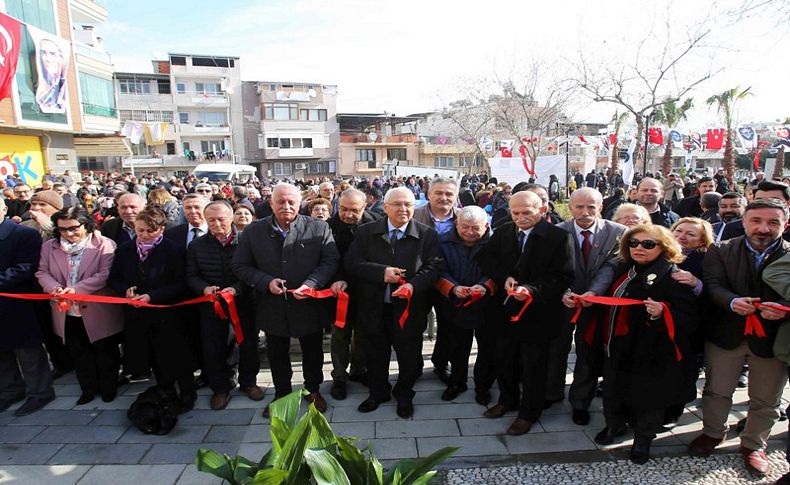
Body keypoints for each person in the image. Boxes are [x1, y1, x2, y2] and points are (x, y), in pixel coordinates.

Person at [689, 198, 790, 477]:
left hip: (771, 340)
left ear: (785, 224)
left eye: (773, 222)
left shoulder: (789, 254)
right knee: (716, 391)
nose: (763, 228)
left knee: (766, 399)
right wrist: (733, 302)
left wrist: (783, 308)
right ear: (744, 222)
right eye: (756, 221)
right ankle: (712, 432)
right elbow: (713, 284)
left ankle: (754, 445)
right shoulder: (721, 250)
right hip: (726, 333)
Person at [593, 224, 699, 464]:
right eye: (633, 243)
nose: (639, 248)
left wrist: (662, 313)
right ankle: (614, 426)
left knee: (647, 398)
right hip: (617, 345)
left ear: (664, 247)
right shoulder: (623, 268)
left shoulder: (673, 276)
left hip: (651, 352)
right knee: (613, 390)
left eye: (648, 244)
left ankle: (643, 440)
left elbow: (690, 318)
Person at [232, 183, 339, 417]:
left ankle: (313, 390)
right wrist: (265, 281)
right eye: (281, 202)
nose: (286, 206)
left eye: (291, 201)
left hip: (308, 303)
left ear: (300, 203)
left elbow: (330, 261)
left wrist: (311, 284)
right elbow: (240, 265)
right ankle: (282, 395)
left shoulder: (318, 227)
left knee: (313, 351)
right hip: (271, 305)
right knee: (277, 353)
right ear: (271, 203)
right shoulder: (254, 231)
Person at [478, 191, 575, 435]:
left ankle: (529, 412)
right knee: (504, 359)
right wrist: (505, 277)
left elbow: (563, 276)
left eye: (527, 212)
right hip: (505, 310)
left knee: (534, 366)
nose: (521, 218)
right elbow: (486, 260)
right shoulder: (503, 232)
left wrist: (530, 290)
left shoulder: (558, 237)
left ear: (541, 209)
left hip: (538, 313)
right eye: (516, 213)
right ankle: (507, 400)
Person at [344, 187, 444, 418]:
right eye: (397, 204)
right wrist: (382, 273)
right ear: (385, 207)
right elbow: (352, 263)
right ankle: (378, 392)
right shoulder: (366, 232)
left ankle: (404, 394)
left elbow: (435, 266)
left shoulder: (427, 234)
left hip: (409, 308)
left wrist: (413, 285)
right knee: (375, 353)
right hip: (374, 306)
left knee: (409, 355)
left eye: (408, 204)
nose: (403, 209)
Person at [547, 188, 626, 425]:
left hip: (596, 304)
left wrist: (594, 293)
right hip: (562, 303)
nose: (585, 212)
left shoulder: (618, 233)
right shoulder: (556, 233)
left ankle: (580, 402)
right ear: (569, 208)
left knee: (588, 354)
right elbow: (551, 268)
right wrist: (563, 292)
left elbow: (611, 267)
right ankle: (551, 393)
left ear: (601, 207)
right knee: (555, 349)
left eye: (591, 206)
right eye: (579, 207)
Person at [108, 207, 196, 413]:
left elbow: (182, 282)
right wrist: (125, 290)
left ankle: (187, 391)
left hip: (168, 313)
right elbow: (114, 277)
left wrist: (153, 296)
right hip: (138, 313)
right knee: (153, 354)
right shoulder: (125, 250)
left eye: (150, 231)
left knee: (176, 354)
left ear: (161, 229)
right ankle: (165, 389)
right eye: (140, 231)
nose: (144, 235)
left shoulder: (174, 251)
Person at [35, 207, 123, 405]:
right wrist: (55, 288)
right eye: (63, 229)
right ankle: (88, 389)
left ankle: (109, 387)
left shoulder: (104, 244)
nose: (69, 233)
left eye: (74, 228)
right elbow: (42, 272)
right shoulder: (50, 246)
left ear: (87, 225)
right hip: (65, 310)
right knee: (78, 351)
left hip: (97, 310)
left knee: (105, 351)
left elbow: (104, 274)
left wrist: (76, 290)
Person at [186, 201, 262, 410]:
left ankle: (249, 383)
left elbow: (253, 272)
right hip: (211, 306)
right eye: (211, 220)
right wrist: (204, 289)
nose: (217, 224)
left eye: (221, 219)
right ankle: (220, 388)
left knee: (248, 344)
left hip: (243, 302)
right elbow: (191, 275)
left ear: (232, 218)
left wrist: (236, 289)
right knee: (213, 347)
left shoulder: (247, 242)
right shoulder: (196, 246)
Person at [433, 205, 497, 404]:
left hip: (487, 303)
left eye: (475, 228)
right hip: (455, 301)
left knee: (487, 347)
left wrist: (485, 285)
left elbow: (502, 269)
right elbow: (437, 269)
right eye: (465, 227)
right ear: (456, 224)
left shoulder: (496, 243)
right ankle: (456, 382)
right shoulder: (442, 242)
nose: (470, 232)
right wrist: (453, 288)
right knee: (458, 346)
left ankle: (483, 386)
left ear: (486, 226)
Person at [0, 198, 55, 416]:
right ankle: (10, 390)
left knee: (28, 352)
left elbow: (27, 267)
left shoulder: (23, 234)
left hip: (17, 303)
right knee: (1, 352)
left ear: (4, 209)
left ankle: (40, 392)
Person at [326, 189, 378, 400]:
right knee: (340, 335)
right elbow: (327, 258)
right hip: (340, 290)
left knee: (364, 332)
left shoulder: (376, 223)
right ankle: (339, 377)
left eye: (354, 210)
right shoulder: (328, 227)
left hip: (368, 288)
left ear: (365, 207)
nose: (348, 214)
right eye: (343, 209)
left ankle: (359, 370)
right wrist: (336, 278)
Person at [412, 177, 459, 383]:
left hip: (451, 280)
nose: (443, 197)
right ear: (428, 194)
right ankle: (413, 366)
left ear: (456, 197)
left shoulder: (463, 217)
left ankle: (441, 364)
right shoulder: (414, 216)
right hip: (419, 279)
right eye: (438, 193)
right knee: (414, 325)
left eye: (449, 194)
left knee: (448, 325)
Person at [35, 38, 67, 113]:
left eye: (52, 54)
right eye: (43, 53)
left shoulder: (60, 88)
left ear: (60, 59)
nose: (48, 59)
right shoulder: (41, 90)